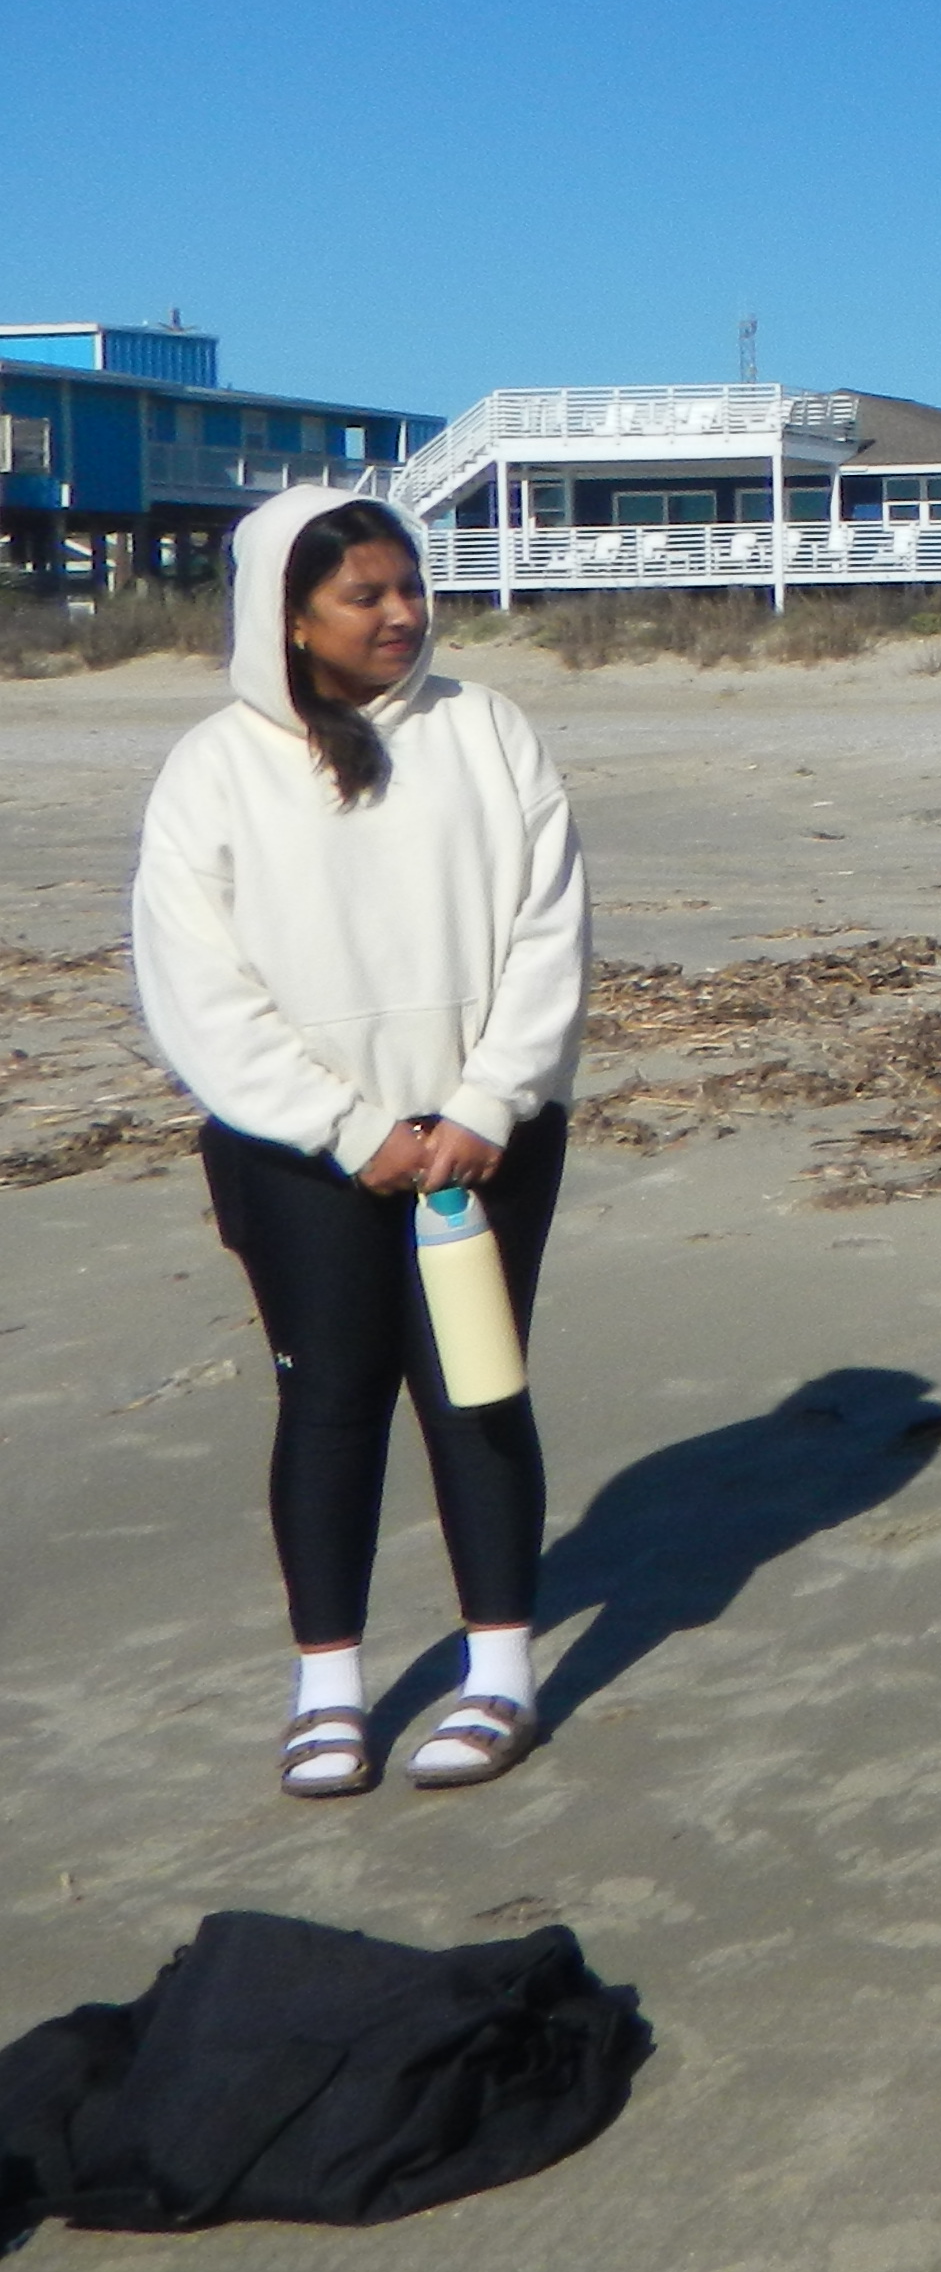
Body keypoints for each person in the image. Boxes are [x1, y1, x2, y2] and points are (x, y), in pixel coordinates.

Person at [131, 490, 589, 1798]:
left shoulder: (485, 731)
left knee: (475, 1389)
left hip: (485, 1142)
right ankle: (326, 1684)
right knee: (329, 1396)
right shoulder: (215, 768)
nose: (403, 615)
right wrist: (348, 1127)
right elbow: (198, 988)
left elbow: (548, 931)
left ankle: (501, 1670)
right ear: (288, 615)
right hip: (300, 1154)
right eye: (365, 596)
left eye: (411, 587)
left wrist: (485, 1106)